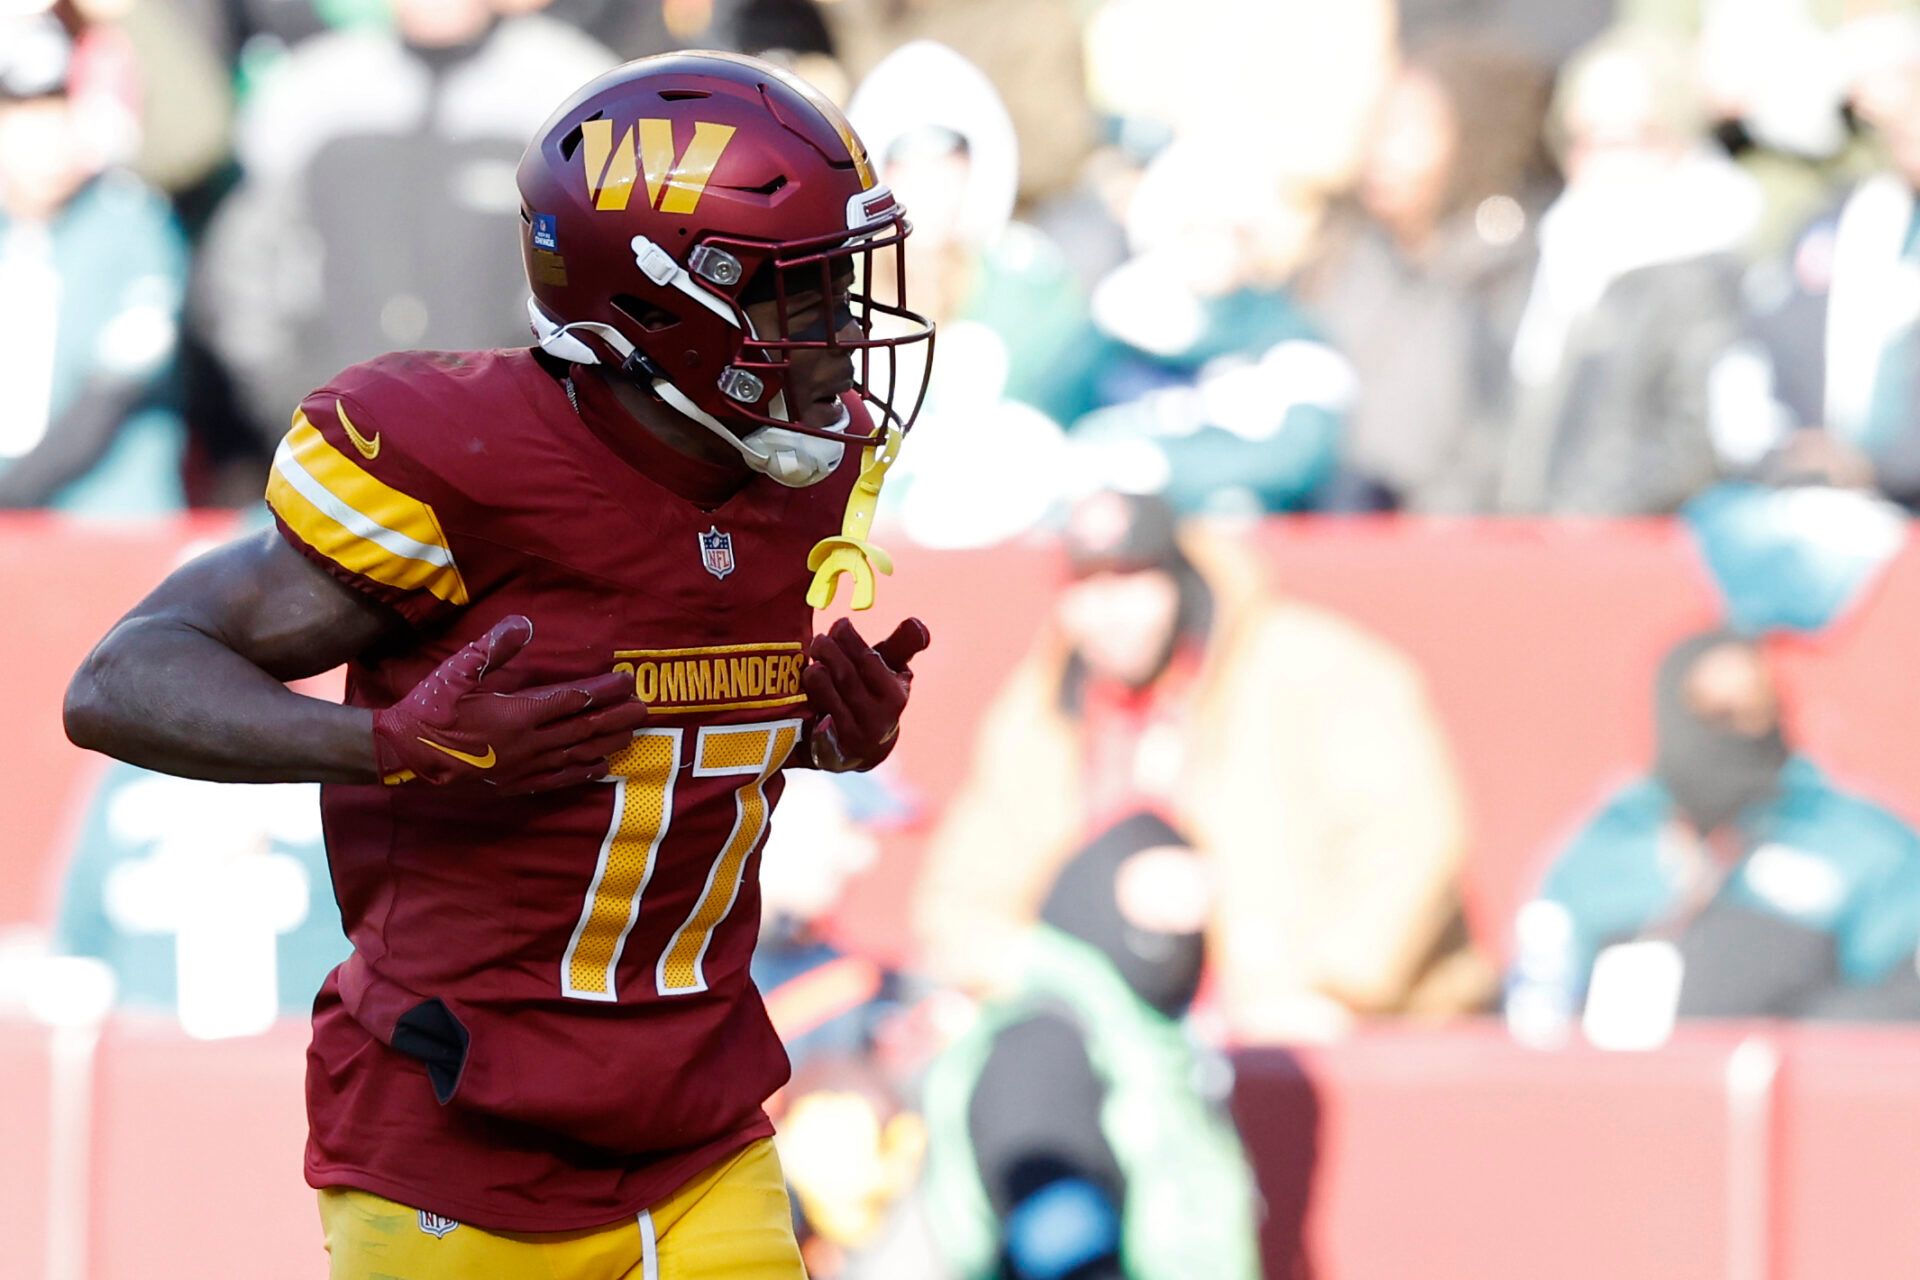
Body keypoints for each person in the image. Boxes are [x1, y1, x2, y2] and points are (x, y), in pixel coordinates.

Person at [64, 51, 936, 1279]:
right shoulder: (463, 463)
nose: (843, 331)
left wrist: (819, 730)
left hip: (699, 1129)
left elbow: (675, 696)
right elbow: (119, 680)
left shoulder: (796, 467)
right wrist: (389, 746)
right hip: (458, 1140)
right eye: (802, 292)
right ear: (667, 302)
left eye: (841, 283)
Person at [915, 491, 1490, 1042]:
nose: (1108, 612)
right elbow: (965, 895)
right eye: (1085, 584)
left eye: (1133, 579)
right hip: (1125, 1040)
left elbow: (1410, 839)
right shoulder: (1045, 704)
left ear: (1180, 579)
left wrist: (1329, 988)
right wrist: (1045, 984)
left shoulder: (1316, 669)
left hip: (1318, 1028)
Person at [191, 0, 616, 446]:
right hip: (334, 431)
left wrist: (547, 406)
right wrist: (286, 395)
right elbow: (246, 266)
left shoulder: (572, 87)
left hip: (513, 438)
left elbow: (603, 271)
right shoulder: (310, 89)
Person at [1509, 631, 1920, 1047]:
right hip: (1628, 1082)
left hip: (1794, 1082)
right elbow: (1538, 1011)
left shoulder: (1857, 842)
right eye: (1717, 713)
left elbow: (1906, 992)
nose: (1740, 728)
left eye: (1756, 709)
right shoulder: (1603, 850)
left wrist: (1785, 1036)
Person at [921, 811, 1261, 1280]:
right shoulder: (1043, 1043)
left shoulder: (1159, 1051)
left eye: (1194, 906)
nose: (1179, 928)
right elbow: (1056, 1229)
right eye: (1156, 902)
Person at [1496, 25, 1757, 515]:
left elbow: (1693, 448)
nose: (1607, 161)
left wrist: (1579, 524)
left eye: (1635, 137)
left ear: (1679, 136)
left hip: (1628, 542)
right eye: (1586, 139)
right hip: (1528, 538)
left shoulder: (1707, 269)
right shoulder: (1549, 251)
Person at [1298, 36, 1553, 512]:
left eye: (1409, 133)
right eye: (1379, 130)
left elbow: (1499, 434)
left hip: (1444, 526)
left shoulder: (1504, 269)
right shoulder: (1343, 251)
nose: (1383, 154)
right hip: (1331, 514)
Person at [0, 12, 189, 512]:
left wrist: (11, 497)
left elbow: (110, 391)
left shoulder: (134, 225)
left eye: (59, 113)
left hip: (108, 517)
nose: (42, 139)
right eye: (20, 116)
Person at [1744, 14, 1920, 511]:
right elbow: (1766, 352)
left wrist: (1884, 464)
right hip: (1840, 512)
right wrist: (1797, 451)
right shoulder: (1844, 224)